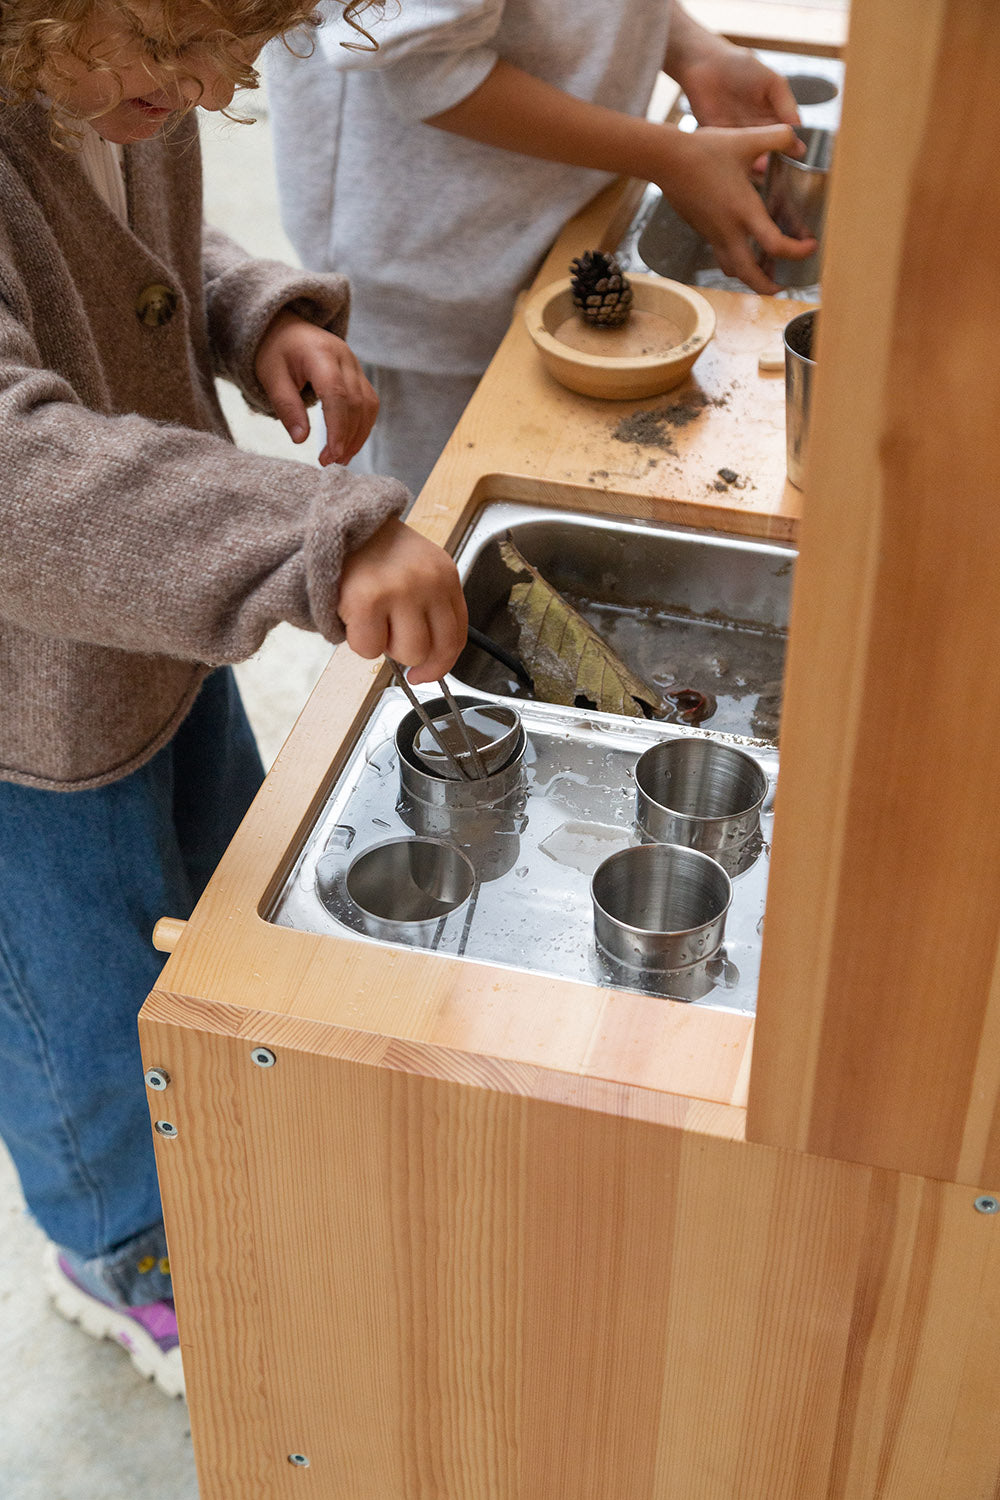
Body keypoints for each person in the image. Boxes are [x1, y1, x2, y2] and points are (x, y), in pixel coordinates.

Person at [0, 0, 467, 1397]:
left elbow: (116, 241)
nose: (208, 90)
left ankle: (214, 1157)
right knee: (83, 1007)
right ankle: (120, 1252)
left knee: (213, 905)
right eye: (176, 47)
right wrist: (312, 534)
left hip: (148, 627)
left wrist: (249, 308)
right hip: (26, 718)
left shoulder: (97, 74)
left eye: (240, 55)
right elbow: (19, 477)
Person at [266, 0, 815, 495]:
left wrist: (689, 47)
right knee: (431, 516)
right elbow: (426, 68)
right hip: (433, 265)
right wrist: (669, 157)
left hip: (557, 216)